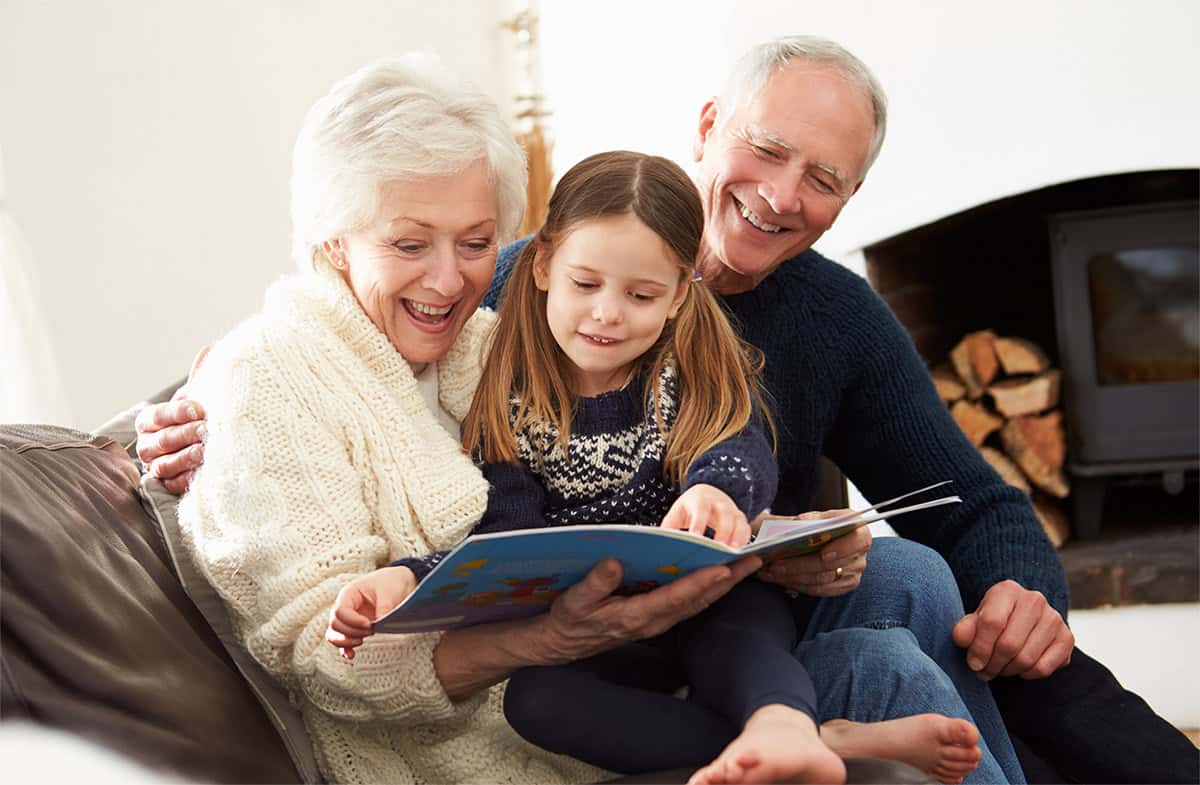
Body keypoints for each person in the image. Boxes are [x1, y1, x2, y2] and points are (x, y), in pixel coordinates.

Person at [138, 36, 1198, 785]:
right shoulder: (518, 291)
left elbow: (965, 494)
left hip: (735, 595)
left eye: (823, 178)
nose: (783, 195)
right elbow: (341, 339)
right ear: (708, 126)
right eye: (768, 150)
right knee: (901, 622)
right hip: (596, 638)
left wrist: (1025, 584)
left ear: (851, 198)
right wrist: (184, 405)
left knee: (938, 583)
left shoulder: (833, 315)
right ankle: (860, 736)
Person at [324, 150, 991, 785]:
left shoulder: (687, 370)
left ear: (678, 295)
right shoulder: (507, 394)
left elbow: (738, 448)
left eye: (642, 295)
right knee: (534, 700)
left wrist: (715, 490)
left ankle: (781, 722)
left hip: (709, 600)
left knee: (739, 626)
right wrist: (404, 580)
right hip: (604, 635)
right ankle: (823, 737)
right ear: (543, 265)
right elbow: (502, 544)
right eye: (586, 284)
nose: (608, 313)